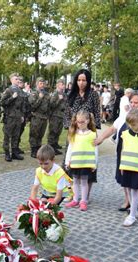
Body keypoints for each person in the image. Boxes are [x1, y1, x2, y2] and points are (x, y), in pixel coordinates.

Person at [95, 92, 138, 212]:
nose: (133, 105)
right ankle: (128, 201)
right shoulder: (125, 115)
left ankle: (135, 201)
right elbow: (112, 128)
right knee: (124, 178)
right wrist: (100, 139)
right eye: (131, 102)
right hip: (124, 152)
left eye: (136, 102)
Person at [64, 69, 101, 200]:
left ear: (88, 81)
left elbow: (97, 113)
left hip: (88, 133)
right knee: (70, 163)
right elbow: (67, 114)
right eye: (79, 80)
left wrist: (94, 132)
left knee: (87, 165)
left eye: (84, 80)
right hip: (74, 132)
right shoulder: (71, 94)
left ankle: (86, 196)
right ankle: (72, 194)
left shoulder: (93, 94)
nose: (81, 83)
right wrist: (70, 127)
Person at [64, 110, 98, 212]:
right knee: (75, 181)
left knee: (84, 182)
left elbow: (95, 149)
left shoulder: (92, 134)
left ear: (88, 121)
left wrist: (95, 163)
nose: (80, 124)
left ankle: (83, 200)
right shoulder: (74, 134)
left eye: (82, 122)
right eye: (78, 122)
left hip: (86, 163)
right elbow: (70, 147)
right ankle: (75, 199)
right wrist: (67, 161)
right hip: (75, 162)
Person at [1, 73, 25, 161]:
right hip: (10, 117)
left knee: (16, 135)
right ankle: (7, 154)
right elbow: (2, 102)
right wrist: (12, 97)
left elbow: (22, 104)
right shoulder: (8, 90)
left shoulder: (20, 91)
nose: (18, 80)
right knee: (7, 136)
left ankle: (14, 153)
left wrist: (22, 115)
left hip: (18, 117)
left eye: (18, 79)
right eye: (15, 79)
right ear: (11, 80)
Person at [28, 77, 50, 158]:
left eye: (43, 83)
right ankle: (33, 150)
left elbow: (49, 106)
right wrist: (40, 98)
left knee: (41, 134)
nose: (42, 85)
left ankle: (38, 148)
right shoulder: (34, 93)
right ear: (37, 84)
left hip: (44, 117)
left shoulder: (46, 94)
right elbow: (33, 106)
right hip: (36, 116)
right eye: (41, 83)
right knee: (34, 134)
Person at [47, 79, 66, 155]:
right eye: (62, 84)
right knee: (53, 132)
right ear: (58, 85)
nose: (63, 86)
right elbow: (51, 105)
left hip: (61, 115)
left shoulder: (63, 94)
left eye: (64, 84)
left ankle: (55, 145)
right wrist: (59, 99)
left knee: (58, 131)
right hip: (55, 116)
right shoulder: (55, 94)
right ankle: (51, 148)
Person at [17, 76, 31, 154]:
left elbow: (28, 104)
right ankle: (14, 148)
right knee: (15, 134)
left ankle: (17, 147)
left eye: (21, 82)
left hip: (24, 115)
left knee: (20, 132)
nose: (20, 84)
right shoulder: (14, 91)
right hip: (16, 116)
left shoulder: (24, 93)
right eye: (19, 82)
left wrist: (27, 116)